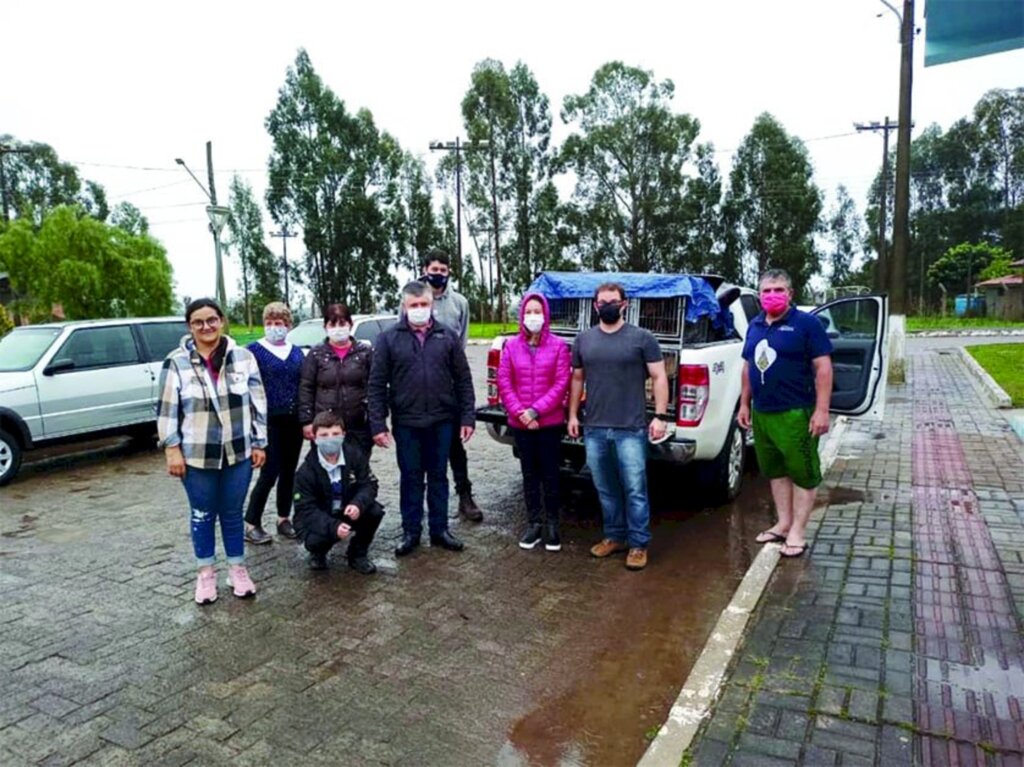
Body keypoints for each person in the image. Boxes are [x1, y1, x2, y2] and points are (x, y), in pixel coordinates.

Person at [157, 298, 267, 605]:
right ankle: (205, 573)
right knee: (202, 514)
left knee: (232, 513)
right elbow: (167, 410)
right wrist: (171, 449)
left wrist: (260, 443)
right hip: (196, 455)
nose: (206, 327)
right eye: (198, 322)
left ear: (221, 321)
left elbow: (258, 404)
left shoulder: (243, 358)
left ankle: (237, 569)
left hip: (239, 452)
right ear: (189, 326)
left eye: (211, 320)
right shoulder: (176, 362)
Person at [368, 280, 476, 557]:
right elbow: (377, 384)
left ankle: (439, 530)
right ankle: (411, 532)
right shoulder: (389, 338)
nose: (419, 309)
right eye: (414, 305)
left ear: (432, 305)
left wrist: (467, 417)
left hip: (442, 421)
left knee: (439, 476)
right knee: (411, 478)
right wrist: (378, 424)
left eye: (424, 305)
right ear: (404, 306)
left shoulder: (447, 336)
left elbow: (463, 379)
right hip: (407, 423)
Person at [567, 282, 669, 572]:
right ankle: (615, 536)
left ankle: (638, 544)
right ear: (595, 305)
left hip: (631, 428)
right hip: (594, 427)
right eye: (602, 301)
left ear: (624, 304)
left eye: (613, 301)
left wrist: (660, 416)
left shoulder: (642, 338)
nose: (608, 305)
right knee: (605, 487)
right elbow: (577, 379)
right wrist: (573, 415)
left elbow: (659, 377)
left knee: (634, 488)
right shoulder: (584, 340)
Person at [737, 268, 833, 559]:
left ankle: (798, 532)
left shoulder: (807, 324)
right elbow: (747, 367)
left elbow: (823, 368)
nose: (772, 296)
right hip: (763, 412)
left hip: (796, 413)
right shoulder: (755, 325)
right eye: (766, 291)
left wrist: (821, 410)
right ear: (760, 294)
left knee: (803, 473)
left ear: (790, 294)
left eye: (779, 290)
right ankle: (783, 522)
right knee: (775, 471)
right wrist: (744, 403)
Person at [497, 292, 571, 551]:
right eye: (528, 312)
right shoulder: (511, 346)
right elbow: (504, 382)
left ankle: (552, 524)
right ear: (522, 315)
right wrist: (521, 413)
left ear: (546, 314)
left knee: (551, 474)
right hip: (521, 425)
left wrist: (536, 412)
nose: (533, 316)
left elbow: (562, 383)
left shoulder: (559, 346)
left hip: (548, 423)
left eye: (537, 311)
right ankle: (534, 523)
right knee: (529, 475)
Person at [420, 249, 483, 522]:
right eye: (433, 269)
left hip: (450, 382)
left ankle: (465, 497)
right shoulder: (413, 299)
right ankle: (421, 501)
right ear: (424, 269)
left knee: (455, 446)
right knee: (421, 446)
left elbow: (462, 339)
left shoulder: (460, 302)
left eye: (443, 270)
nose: (438, 275)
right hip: (420, 382)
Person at [292, 410, 384, 574]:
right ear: (314, 437)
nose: (330, 439)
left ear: (343, 434)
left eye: (335, 433)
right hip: (323, 515)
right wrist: (333, 526)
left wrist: (357, 504)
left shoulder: (356, 455)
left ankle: (357, 554)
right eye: (324, 434)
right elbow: (305, 509)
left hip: (347, 509)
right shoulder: (305, 472)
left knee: (374, 511)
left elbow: (369, 484)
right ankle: (318, 553)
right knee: (315, 540)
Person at [243, 302, 305, 544]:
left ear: (288, 325)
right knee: (270, 472)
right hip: (268, 421)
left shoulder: (297, 352)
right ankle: (251, 522)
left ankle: (283, 518)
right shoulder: (253, 351)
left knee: (289, 471)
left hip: (293, 420)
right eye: (269, 323)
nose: (274, 327)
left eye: (278, 323)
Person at [298, 303, 375, 452]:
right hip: (326, 426)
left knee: (358, 468)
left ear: (350, 324)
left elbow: (374, 387)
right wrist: (306, 421)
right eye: (333, 324)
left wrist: (375, 419)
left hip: (358, 424)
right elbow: (306, 387)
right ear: (325, 326)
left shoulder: (365, 352)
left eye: (342, 323)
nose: (338, 328)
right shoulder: (316, 354)